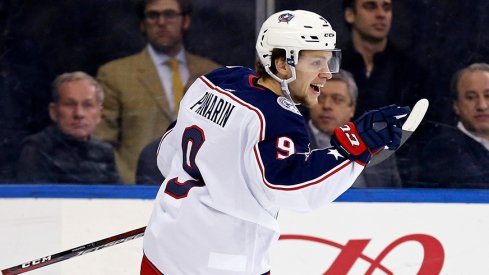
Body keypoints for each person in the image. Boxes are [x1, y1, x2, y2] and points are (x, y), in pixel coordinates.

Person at [140, 10, 410, 274]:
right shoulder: (278, 116)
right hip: (219, 263)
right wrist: (354, 148)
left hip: (162, 249)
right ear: (282, 64)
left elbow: (168, 152)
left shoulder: (216, 80)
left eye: (329, 61)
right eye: (316, 63)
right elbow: (293, 188)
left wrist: (198, 203)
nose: (327, 74)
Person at [94, 0, 221, 183]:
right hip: (135, 191)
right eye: (153, 15)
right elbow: (102, 142)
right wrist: (126, 185)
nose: (161, 22)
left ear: (185, 21)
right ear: (143, 24)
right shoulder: (115, 74)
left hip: (199, 190)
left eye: (169, 14)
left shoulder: (213, 73)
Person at [16, 72, 122, 184]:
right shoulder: (37, 149)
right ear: (53, 111)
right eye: (69, 104)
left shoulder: (104, 152)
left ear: (100, 114)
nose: (79, 114)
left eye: (87, 105)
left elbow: (119, 198)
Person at [307, 69, 402, 187]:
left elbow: (395, 199)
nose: (327, 106)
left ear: (352, 109)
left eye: (337, 99)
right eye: (320, 98)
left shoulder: (377, 147)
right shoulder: (293, 141)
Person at [340, 0, 422, 116]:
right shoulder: (330, 66)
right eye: (370, 6)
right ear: (350, 14)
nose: (381, 14)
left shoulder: (412, 71)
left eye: (386, 8)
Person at [416, 63, 489, 188]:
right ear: (456, 106)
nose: (482, 106)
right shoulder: (442, 150)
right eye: (470, 97)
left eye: (488, 96)